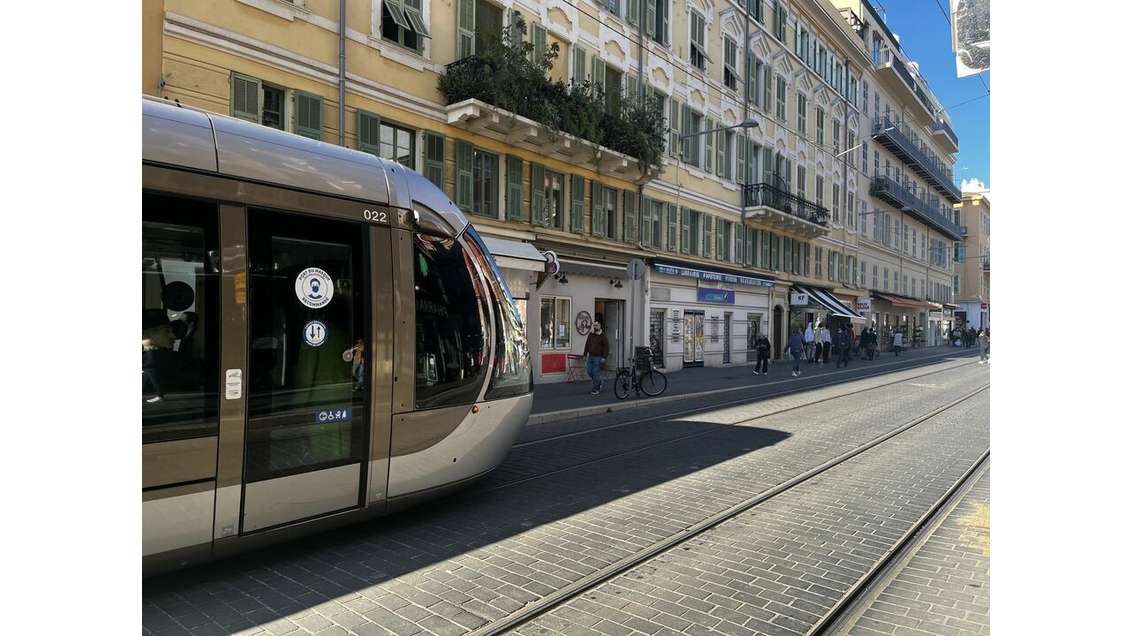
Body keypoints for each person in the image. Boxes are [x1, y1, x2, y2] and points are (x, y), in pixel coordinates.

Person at [584, 321, 610, 395]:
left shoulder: (603, 336)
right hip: (590, 356)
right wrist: (585, 354)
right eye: (594, 325)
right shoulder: (591, 334)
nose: (595, 327)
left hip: (598, 357)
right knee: (589, 371)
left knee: (595, 373)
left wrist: (604, 357)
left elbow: (606, 347)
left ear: (600, 326)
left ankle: (596, 389)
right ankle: (599, 381)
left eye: (597, 325)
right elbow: (587, 344)